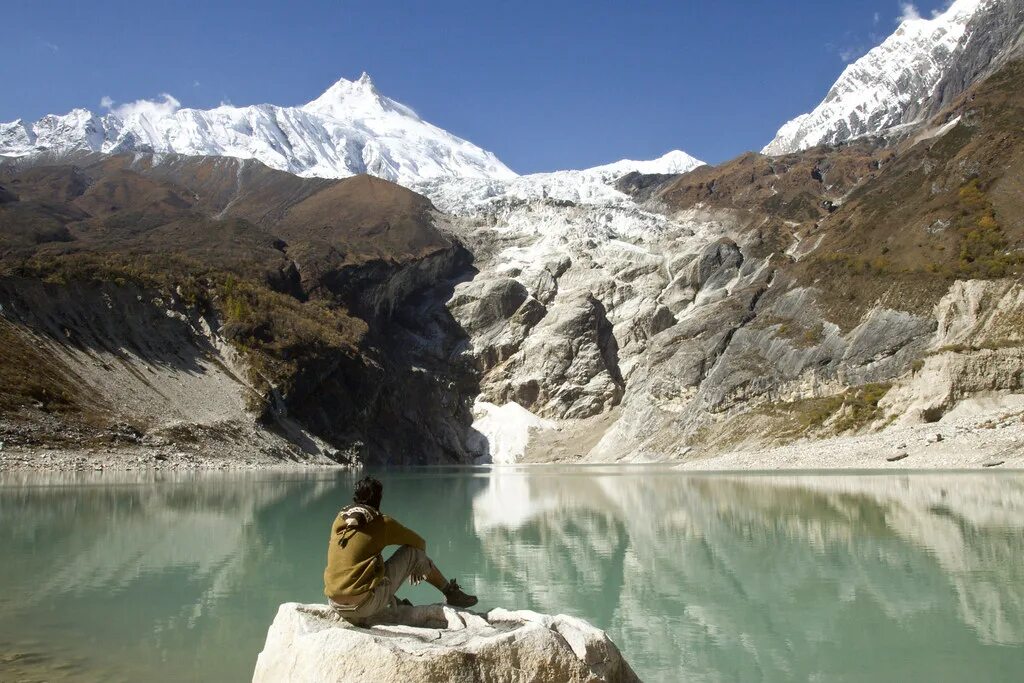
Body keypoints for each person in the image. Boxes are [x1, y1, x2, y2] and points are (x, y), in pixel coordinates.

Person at [324, 476, 478, 624]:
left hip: (335, 604)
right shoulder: (381, 522)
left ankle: (395, 602)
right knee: (414, 553)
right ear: (379, 498)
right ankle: (451, 593)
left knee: (370, 565)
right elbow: (419, 543)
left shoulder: (340, 519)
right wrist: (415, 567)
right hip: (363, 606)